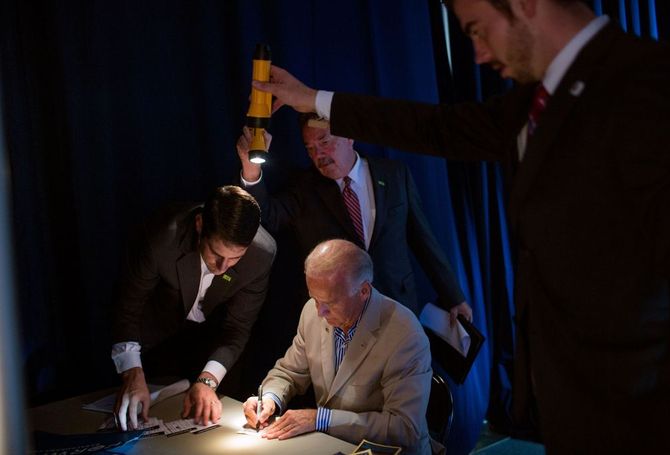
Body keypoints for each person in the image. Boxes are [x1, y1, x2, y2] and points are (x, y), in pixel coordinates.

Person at [250, 1, 670, 453]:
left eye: (476, 30)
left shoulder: (653, 85)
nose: (476, 54)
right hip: (569, 401)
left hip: (640, 407)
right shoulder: (532, 103)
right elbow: (436, 128)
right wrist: (314, 100)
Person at [236, 116, 472, 324]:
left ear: (349, 135)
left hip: (397, 308)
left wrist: (454, 297)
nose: (318, 155)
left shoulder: (394, 175)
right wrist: (250, 171)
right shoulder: (304, 188)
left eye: (325, 142)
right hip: (340, 318)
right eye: (310, 148)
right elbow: (266, 216)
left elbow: (423, 240)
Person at [242, 239, 433, 454]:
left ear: (363, 291)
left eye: (330, 303)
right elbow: (289, 372)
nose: (320, 312)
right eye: (314, 298)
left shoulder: (405, 334)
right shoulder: (312, 313)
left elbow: (403, 428)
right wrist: (269, 399)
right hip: (331, 446)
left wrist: (322, 419)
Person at [111, 185, 276, 431]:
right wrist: (132, 371)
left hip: (213, 339)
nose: (222, 267)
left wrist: (207, 381)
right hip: (155, 336)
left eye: (235, 259)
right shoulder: (163, 238)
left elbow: (237, 328)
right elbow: (127, 308)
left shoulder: (262, 253)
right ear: (199, 225)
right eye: (216, 254)